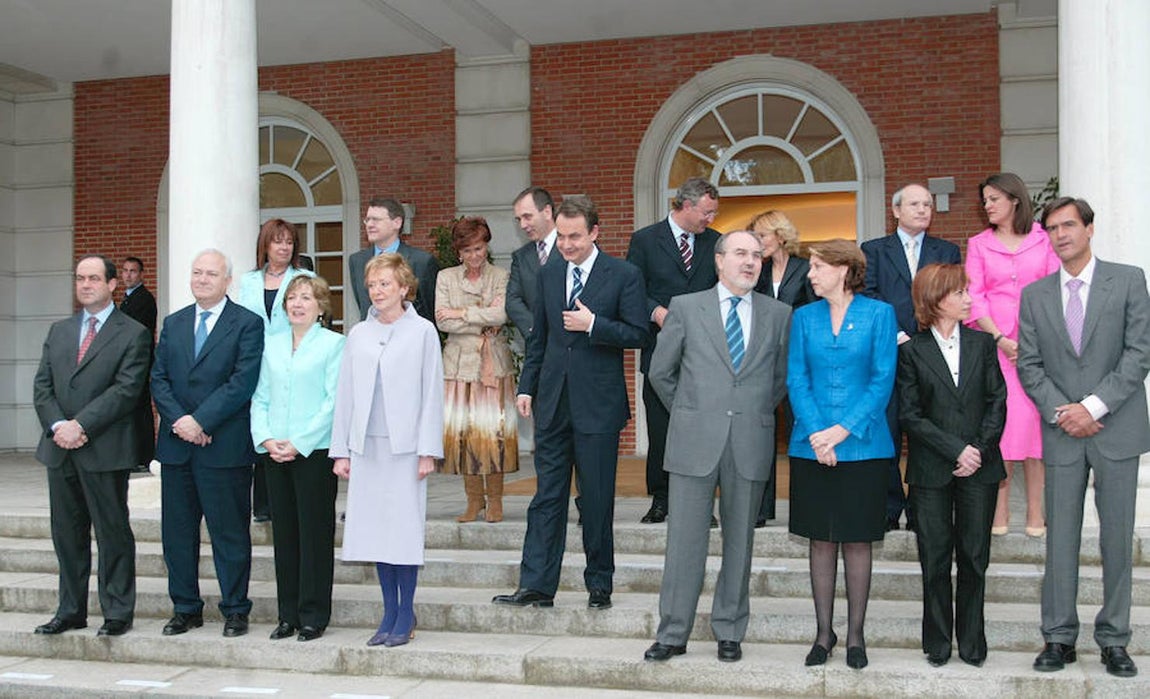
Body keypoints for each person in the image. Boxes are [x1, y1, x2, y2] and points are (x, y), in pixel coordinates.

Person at [492, 195, 649, 610]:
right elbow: (538, 337)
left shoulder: (623, 274)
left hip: (598, 406)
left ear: (595, 232)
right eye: (561, 236)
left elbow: (638, 333)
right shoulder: (549, 274)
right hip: (552, 403)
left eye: (574, 237)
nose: (566, 245)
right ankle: (537, 585)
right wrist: (527, 387)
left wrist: (594, 324)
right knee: (547, 496)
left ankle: (600, 585)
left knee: (596, 499)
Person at [643, 231, 790, 664]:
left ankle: (729, 630)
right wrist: (692, 411)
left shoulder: (780, 314)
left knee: (740, 541)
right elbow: (660, 372)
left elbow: (779, 380)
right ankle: (672, 632)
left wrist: (749, 410)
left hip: (750, 439)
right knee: (684, 542)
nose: (750, 262)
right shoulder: (687, 307)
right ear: (720, 260)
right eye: (741, 253)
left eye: (757, 256)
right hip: (693, 441)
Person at [1019, 197, 1150, 678]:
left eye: (1069, 225)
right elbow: (1029, 366)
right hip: (1062, 433)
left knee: (1117, 540)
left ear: (1089, 229)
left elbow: (1140, 352)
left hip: (1115, 427)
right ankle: (1058, 637)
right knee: (1060, 541)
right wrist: (1065, 413)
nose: (1060, 235)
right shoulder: (1035, 296)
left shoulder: (1129, 279)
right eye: (1052, 228)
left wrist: (1092, 407)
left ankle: (1115, 640)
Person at [789, 239, 898, 670]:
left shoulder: (879, 314)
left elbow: (882, 379)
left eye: (817, 266)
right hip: (811, 445)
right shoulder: (803, 317)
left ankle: (855, 635)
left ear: (843, 269)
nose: (811, 274)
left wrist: (841, 431)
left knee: (856, 540)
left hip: (864, 445)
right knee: (820, 539)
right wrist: (819, 435)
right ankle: (823, 633)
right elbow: (796, 378)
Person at [32, 255, 151, 637]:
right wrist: (58, 427)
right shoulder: (59, 330)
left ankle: (117, 611)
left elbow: (127, 389)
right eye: (81, 278)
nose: (85, 285)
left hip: (104, 447)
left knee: (112, 531)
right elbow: (42, 386)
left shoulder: (133, 332)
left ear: (112, 284)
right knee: (67, 533)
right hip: (60, 448)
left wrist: (81, 425)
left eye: (94, 279)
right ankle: (70, 610)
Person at [331, 253, 444, 647]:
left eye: (385, 284)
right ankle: (387, 611)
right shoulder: (359, 334)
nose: (378, 291)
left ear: (403, 288)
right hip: (366, 446)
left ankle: (405, 612)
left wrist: (428, 448)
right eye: (373, 285)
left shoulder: (423, 332)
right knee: (376, 531)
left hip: (407, 446)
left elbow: (432, 391)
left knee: (403, 531)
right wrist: (341, 450)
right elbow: (345, 393)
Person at [151, 249, 264, 638]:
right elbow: (159, 378)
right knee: (177, 534)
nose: (201, 279)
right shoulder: (174, 322)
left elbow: (242, 381)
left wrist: (201, 420)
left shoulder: (247, 324)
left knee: (229, 533)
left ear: (227, 280)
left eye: (210, 274)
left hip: (224, 448)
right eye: (196, 272)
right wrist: (181, 422)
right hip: (177, 447)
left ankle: (235, 608)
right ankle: (185, 608)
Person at [897, 263, 1007, 667]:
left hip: (982, 466)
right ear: (936, 299)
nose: (968, 298)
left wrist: (976, 448)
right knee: (935, 557)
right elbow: (911, 414)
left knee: (975, 556)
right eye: (959, 292)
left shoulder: (983, 344)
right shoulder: (911, 351)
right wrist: (955, 449)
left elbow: (998, 400)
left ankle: (973, 642)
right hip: (931, 469)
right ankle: (938, 641)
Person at [250, 274, 345, 642]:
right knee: (285, 536)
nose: (298, 303)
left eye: (306, 297)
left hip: (313, 453)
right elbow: (260, 397)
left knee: (314, 535)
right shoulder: (271, 344)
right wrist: (267, 438)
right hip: (274, 452)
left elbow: (333, 401)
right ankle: (287, 614)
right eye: (292, 297)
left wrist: (300, 442)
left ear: (321, 306)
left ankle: (312, 615)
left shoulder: (334, 345)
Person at [965, 173, 1060, 537]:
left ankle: (1036, 511)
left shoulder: (1042, 237)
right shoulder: (978, 243)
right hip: (996, 347)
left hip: (1040, 348)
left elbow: (1054, 289)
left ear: (1014, 200)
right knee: (1001, 427)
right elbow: (976, 295)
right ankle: (1000, 510)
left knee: (1035, 430)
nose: (987, 205)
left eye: (993, 198)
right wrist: (1000, 338)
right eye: (985, 200)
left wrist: (1034, 342)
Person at [862, 183, 962, 532]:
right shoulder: (873, 250)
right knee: (887, 430)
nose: (923, 210)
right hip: (889, 351)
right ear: (896, 210)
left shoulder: (946, 250)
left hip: (933, 352)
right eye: (915, 204)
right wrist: (900, 336)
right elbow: (870, 296)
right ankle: (890, 508)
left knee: (928, 432)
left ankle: (923, 510)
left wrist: (927, 339)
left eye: (928, 205)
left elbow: (951, 295)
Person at [626, 177, 721, 524]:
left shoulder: (716, 242)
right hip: (660, 354)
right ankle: (662, 499)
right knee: (662, 430)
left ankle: (700, 504)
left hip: (705, 356)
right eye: (706, 212)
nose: (710, 219)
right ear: (686, 205)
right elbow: (633, 291)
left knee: (703, 432)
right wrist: (656, 312)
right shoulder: (645, 241)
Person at [435, 216, 518, 523]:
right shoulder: (445, 278)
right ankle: (473, 501)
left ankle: (495, 500)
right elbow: (442, 321)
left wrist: (462, 313)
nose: (474, 255)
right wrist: (481, 319)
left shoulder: (501, 275)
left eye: (479, 248)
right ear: (459, 252)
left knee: (492, 432)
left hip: (493, 366)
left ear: (487, 247)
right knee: (464, 434)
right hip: (457, 368)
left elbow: (501, 314)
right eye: (468, 250)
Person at [238, 218, 315, 523]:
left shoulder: (304, 277)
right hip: (256, 364)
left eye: (289, 242)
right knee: (262, 426)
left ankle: (288, 496)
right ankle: (263, 504)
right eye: (277, 241)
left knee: (289, 424)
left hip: (292, 361)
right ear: (265, 245)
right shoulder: (248, 281)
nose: (284, 247)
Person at [750, 209, 814, 525]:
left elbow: (815, 314)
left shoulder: (805, 269)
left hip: (798, 361)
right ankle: (762, 509)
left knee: (798, 431)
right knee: (762, 436)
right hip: (763, 362)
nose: (758, 242)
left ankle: (804, 505)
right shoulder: (757, 273)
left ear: (780, 235)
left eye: (762, 235)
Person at [348, 196, 438, 323]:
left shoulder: (422, 261)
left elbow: (429, 311)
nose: (369, 224)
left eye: (376, 220)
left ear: (397, 223)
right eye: (367, 220)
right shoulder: (357, 261)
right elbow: (363, 305)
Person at [119, 255, 158, 470]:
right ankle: (134, 454)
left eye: (132, 271)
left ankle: (142, 456)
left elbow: (136, 332)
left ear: (141, 274)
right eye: (125, 271)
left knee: (140, 409)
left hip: (138, 362)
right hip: (129, 362)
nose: (128, 275)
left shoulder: (143, 299)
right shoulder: (126, 298)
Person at [506, 186, 560, 338]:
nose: (522, 225)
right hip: (537, 350)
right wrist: (536, 330)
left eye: (527, 217)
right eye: (519, 219)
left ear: (547, 212)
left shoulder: (574, 248)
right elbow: (513, 301)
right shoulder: (521, 257)